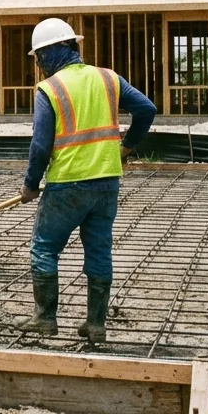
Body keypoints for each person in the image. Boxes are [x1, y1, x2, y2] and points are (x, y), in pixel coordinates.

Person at [16, 18, 156, 344]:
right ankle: (95, 325)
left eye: (39, 56)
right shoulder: (109, 78)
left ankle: (45, 318)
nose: (37, 64)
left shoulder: (50, 89)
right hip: (107, 182)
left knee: (44, 248)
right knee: (99, 251)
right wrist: (128, 147)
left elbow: (39, 145)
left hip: (68, 184)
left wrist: (30, 184)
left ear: (53, 52)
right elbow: (146, 109)